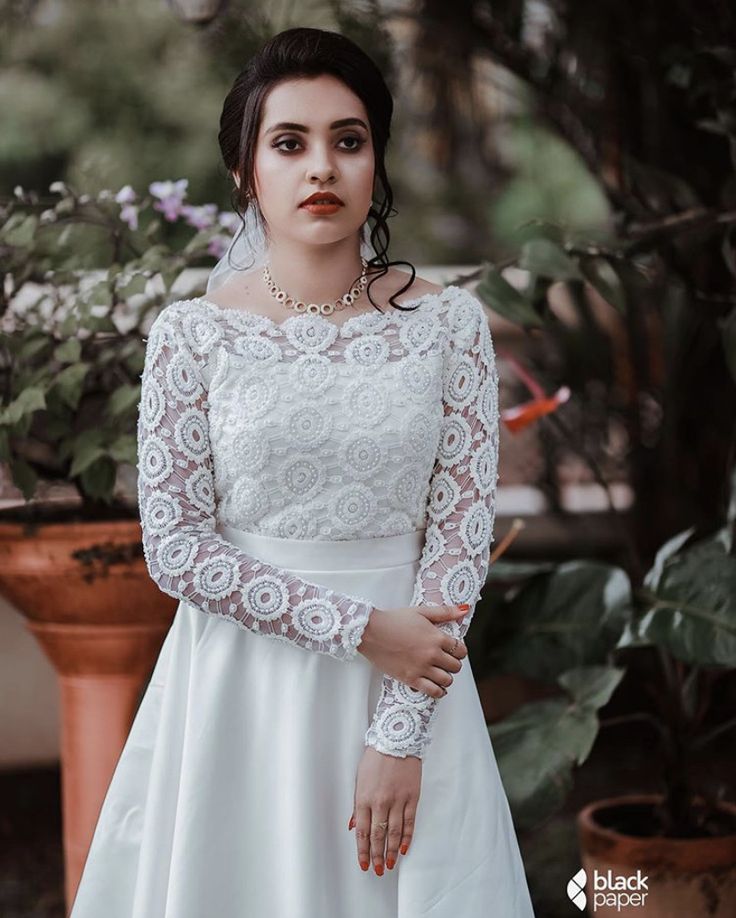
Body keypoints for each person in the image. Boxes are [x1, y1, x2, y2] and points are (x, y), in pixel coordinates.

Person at [69, 26, 536, 918]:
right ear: (248, 171)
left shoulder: (450, 328)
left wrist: (400, 731)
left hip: (412, 688)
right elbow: (175, 549)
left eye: (348, 140)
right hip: (238, 693)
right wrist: (363, 627)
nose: (321, 166)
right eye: (290, 143)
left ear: (376, 161)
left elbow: (461, 534)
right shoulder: (191, 336)